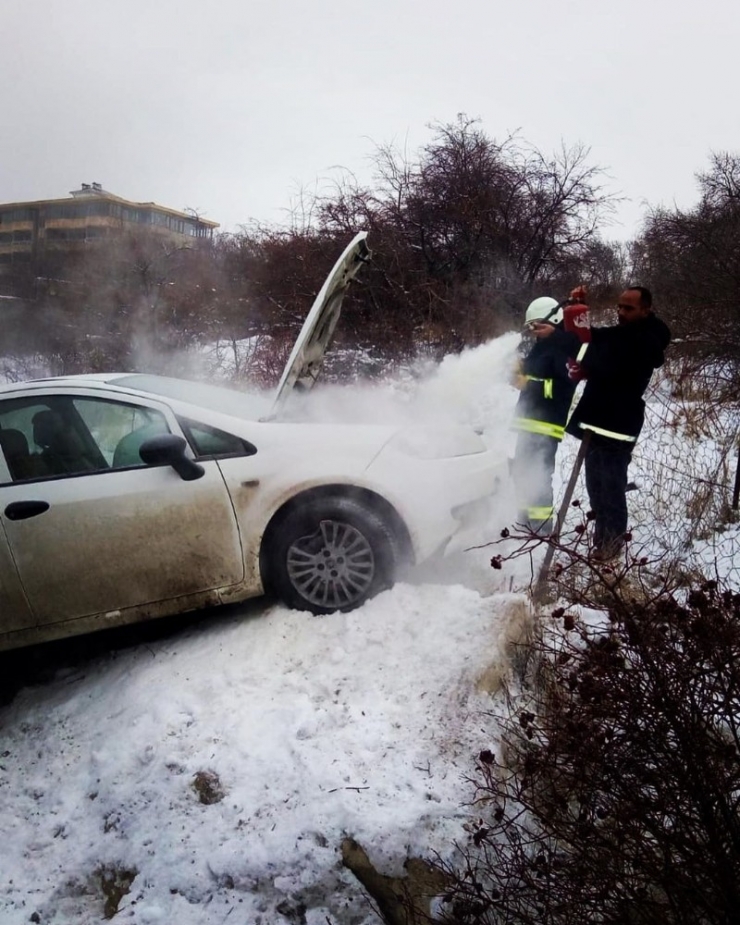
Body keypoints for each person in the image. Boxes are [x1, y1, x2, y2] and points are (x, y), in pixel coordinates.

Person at [534, 286, 671, 559]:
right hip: (597, 425)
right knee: (596, 490)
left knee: (611, 493)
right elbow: (594, 337)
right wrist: (570, 322)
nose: (621, 313)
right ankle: (601, 544)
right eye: (619, 307)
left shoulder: (645, 341)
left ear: (646, 310)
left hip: (617, 428)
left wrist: (564, 342)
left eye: (628, 308)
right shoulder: (625, 332)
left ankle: (610, 551)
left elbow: (603, 360)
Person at [511, 296, 577, 534]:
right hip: (529, 422)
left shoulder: (562, 349)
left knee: (538, 474)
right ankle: (524, 519)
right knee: (521, 471)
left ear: (554, 319)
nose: (533, 330)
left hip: (546, 425)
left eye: (536, 324)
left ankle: (541, 527)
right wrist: (518, 368)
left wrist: (527, 384)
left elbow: (562, 387)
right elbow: (534, 374)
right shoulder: (542, 346)